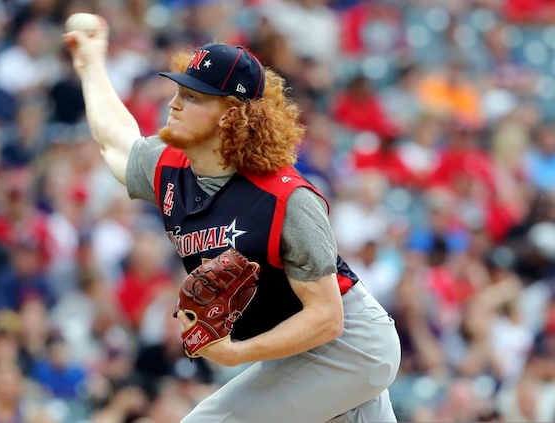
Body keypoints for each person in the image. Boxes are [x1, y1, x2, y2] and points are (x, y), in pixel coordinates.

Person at [63, 16, 401, 423]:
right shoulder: (171, 169)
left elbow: (328, 317)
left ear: (230, 115)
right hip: (295, 352)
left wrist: (235, 353)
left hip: (348, 346)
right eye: (179, 91)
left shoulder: (284, 197)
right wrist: (91, 64)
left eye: (193, 96)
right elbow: (113, 138)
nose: (174, 103)